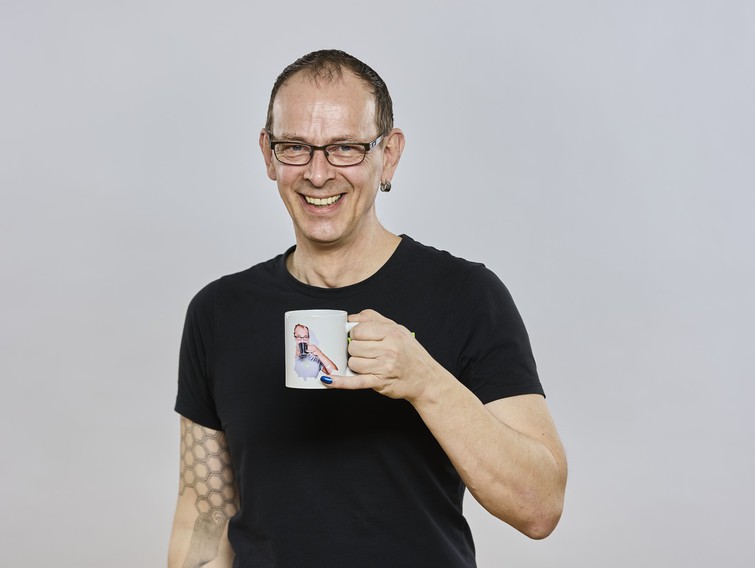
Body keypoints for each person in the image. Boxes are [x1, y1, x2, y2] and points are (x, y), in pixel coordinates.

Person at [168, 49, 567, 568]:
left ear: (389, 154)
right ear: (268, 154)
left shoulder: (467, 295)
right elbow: (203, 522)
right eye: (296, 147)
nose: (317, 174)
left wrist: (425, 381)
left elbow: (540, 507)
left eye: (346, 149)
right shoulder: (218, 312)